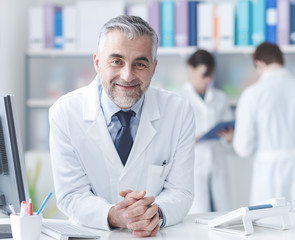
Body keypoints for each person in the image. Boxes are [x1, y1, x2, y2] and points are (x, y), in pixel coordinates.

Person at [49, 15, 195, 237]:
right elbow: (71, 194)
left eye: (140, 64)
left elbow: (181, 191)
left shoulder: (179, 111)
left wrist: (156, 214)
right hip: (92, 233)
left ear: (153, 68)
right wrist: (114, 215)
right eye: (116, 61)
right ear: (98, 63)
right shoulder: (65, 112)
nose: (127, 76)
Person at [233, 42, 295, 213]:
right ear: (283, 61)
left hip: (268, 174)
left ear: (258, 64)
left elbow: (243, 148)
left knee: (269, 228)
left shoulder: (252, 94)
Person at [177, 49, 234, 213]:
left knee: (223, 212)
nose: (208, 80)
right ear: (191, 69)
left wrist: (229, 138)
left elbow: (227, 130)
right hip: (194, 165)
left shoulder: (220, 97)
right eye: (204, 74)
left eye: (211, 75)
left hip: (217, 162)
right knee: (197, 212)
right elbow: (171, 137)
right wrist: (189, 138)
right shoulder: (178, 98)